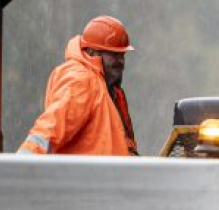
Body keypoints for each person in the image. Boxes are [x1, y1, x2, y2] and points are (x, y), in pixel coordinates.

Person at [18, 16, 138, 156]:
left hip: (103, 170)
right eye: (113, 54)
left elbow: (120, 144)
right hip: (87, 171)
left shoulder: (109, 90)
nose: (120, 61)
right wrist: (22, 165)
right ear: (91, 52)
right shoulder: (82, 80)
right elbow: (51, 128)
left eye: (122, 55)